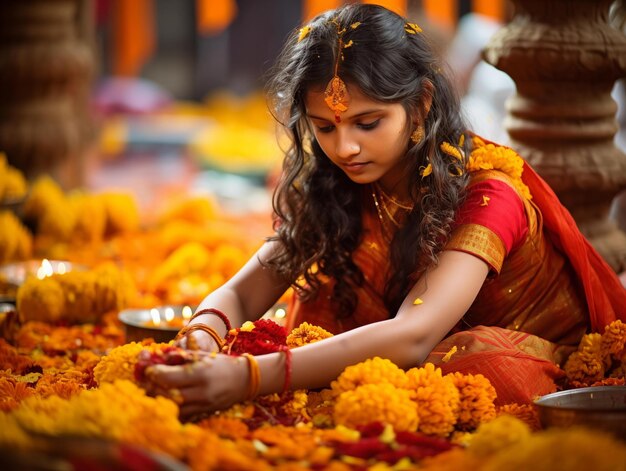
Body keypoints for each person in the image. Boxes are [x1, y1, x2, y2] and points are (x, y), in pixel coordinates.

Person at [144, 4, 626, 420]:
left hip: (518, 361)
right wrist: (200, 338)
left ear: (420, 104)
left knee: (473, 361)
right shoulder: (339, 180)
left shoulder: (487, 190)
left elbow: (413, 334)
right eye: (324, 128)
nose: (345, 147)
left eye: (367, 122)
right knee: (324, 299)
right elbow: (245, 291)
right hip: (409, 343)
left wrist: (249, 377)